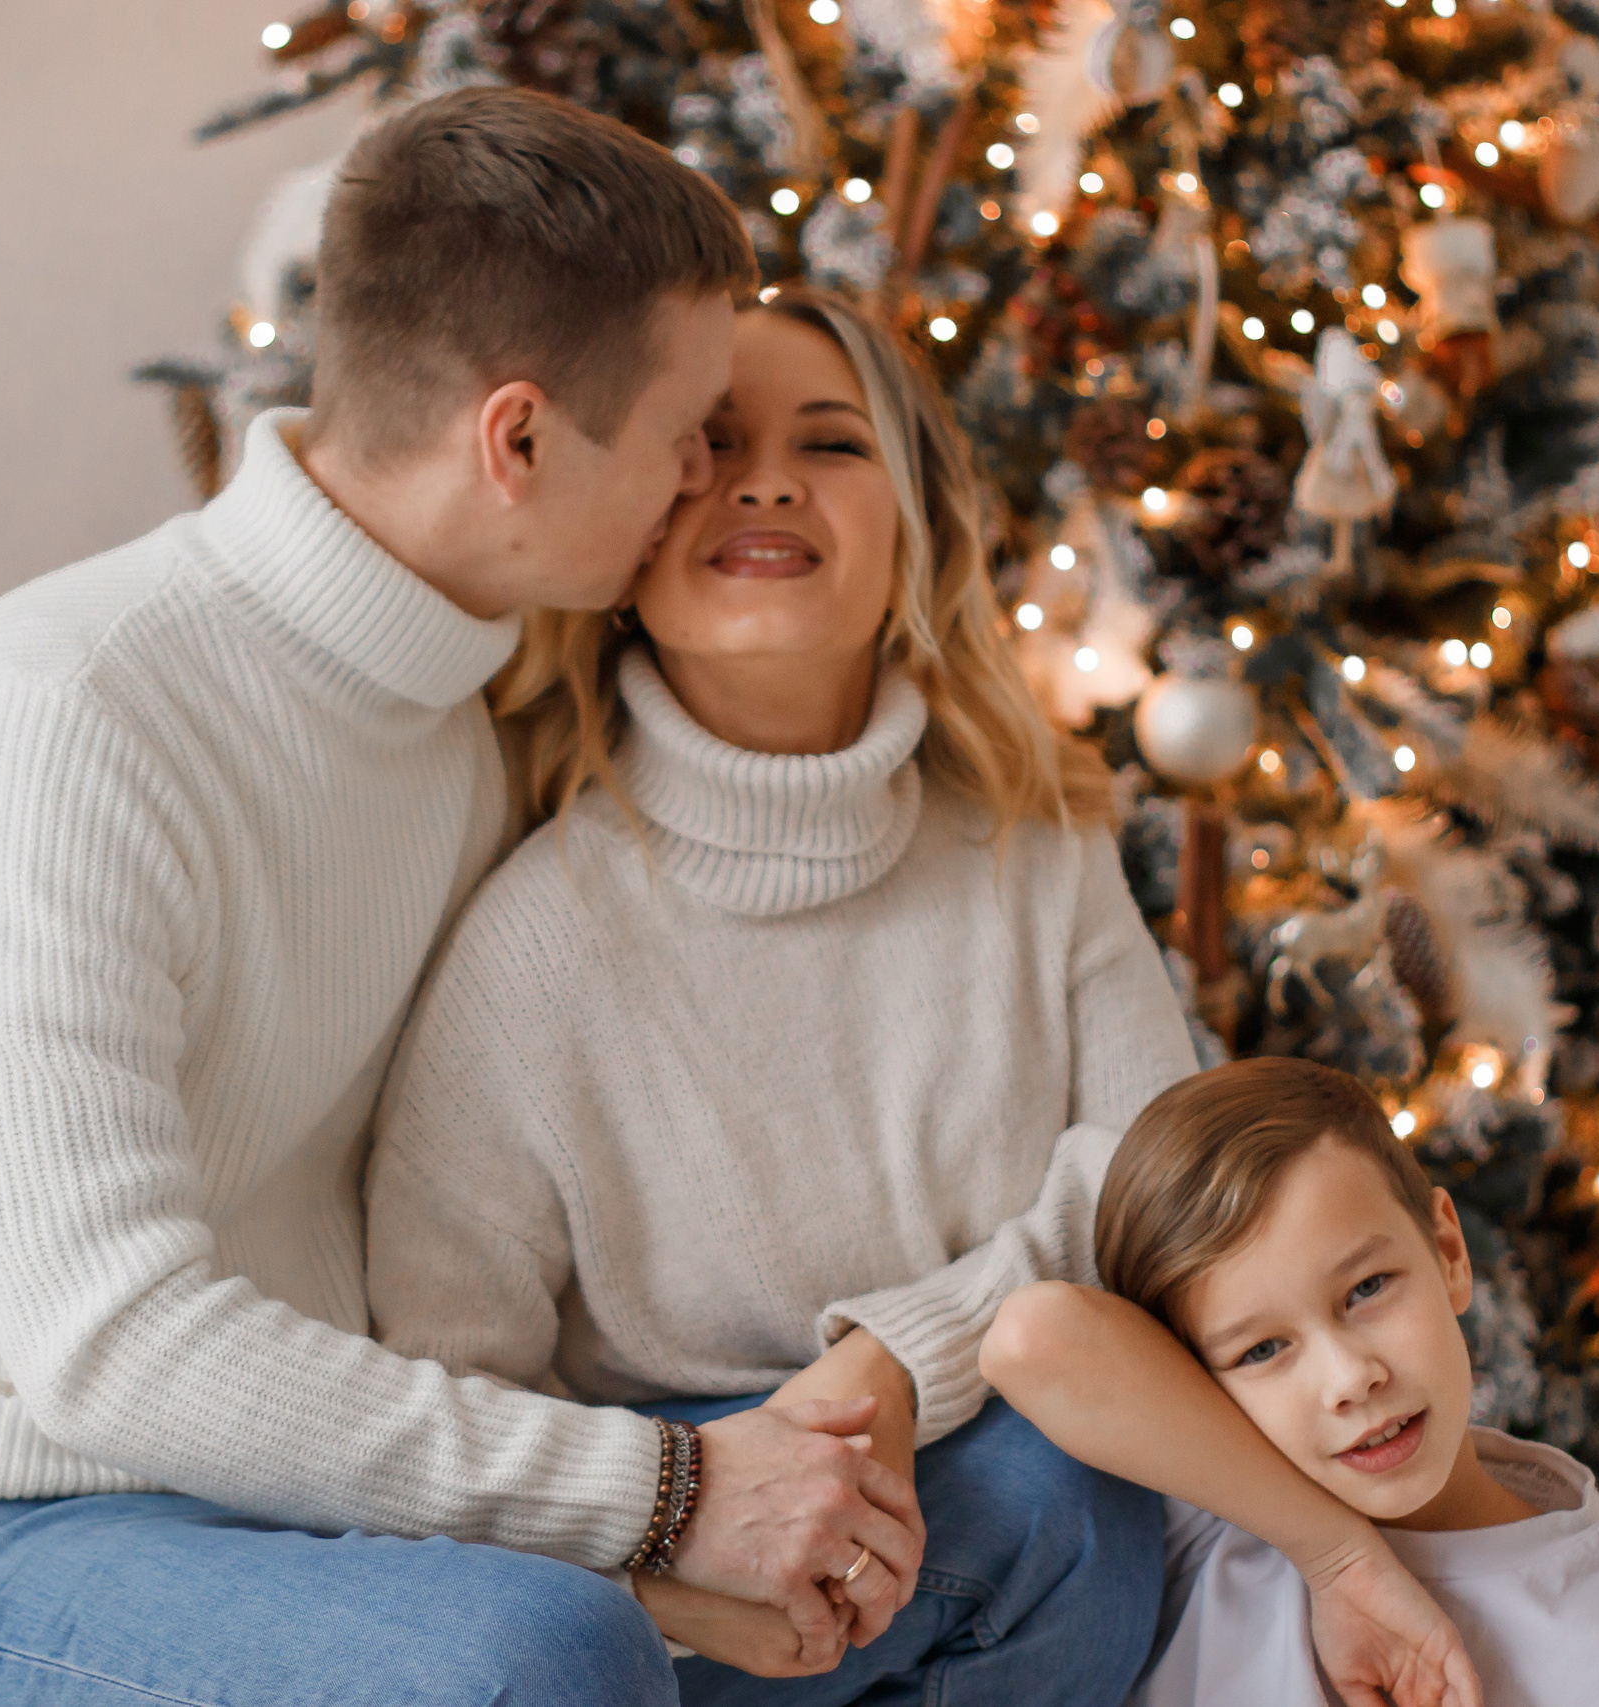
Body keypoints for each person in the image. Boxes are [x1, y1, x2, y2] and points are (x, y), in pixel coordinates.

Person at [0, 90, 921, 1707]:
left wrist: (806, 1435)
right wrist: (668, 1499)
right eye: (689, 425)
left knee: (1042, 1522)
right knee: (535, 1657)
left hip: (306, 1510)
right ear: (519, 439)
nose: (712, 474)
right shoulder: (59, 719)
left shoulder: (465, 732)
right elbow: (113, 1345)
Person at [364, 288, 1482, 1706]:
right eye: (710, 444)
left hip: (992, 1485)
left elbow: (1160, 1182)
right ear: (625, 533)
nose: (766, 477)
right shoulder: (532, 944)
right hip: (677, 1529)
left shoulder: (1036, 848)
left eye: (831, 443)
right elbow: (445, 1380)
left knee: (1069, 1478)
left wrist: (904, 1355)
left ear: (915, 536)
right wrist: (669, 1554)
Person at [983, 1058, 1599, 1707]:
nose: (1351, 1377)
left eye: (1367, 1289)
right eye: (1263, 1349)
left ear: (1449, 1254)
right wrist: (1340, 1560)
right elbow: (1032, 1337)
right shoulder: (1218, 1512)